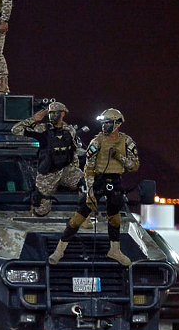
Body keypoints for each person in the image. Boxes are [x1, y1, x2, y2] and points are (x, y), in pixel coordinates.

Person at [49, 108, 140, 266]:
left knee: (115, 218)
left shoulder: (127, 141)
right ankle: (59, 251)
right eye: (103, 123)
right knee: (78, 217)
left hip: (116, 180)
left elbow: (134, 166)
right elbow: (89, 167)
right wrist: (90, 189)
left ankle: (115, 250)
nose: (104, 126)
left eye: (108, 123)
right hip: (98, 180)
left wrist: (120, 158)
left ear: (117, 124)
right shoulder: (97, 141)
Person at [12, 102, 83, 216]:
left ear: (63, 114)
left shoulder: (69, 130)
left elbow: (73, 151)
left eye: (55, 113)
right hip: (47, 173)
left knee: (87, 184)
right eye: (50, 113)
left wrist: (74, 167)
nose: (52, 116)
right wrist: (33, 120)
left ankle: (84, 215)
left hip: (65, 170)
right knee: (41, 210)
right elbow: (16, 130)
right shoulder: (42, 130)